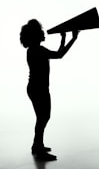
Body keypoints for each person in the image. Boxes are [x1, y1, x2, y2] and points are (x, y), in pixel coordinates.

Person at [20, 19, 79, 161]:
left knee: (42, 118)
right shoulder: (38, 50)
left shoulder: (32, 50)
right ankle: (38, 149)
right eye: (40, 32)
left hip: (34, 88)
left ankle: (36, 145)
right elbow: (60, 55)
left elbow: (58, 53)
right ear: (36, 36)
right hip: (39, 89)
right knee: (43, 118)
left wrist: (64, 38)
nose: (43, 33)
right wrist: (73, 38)